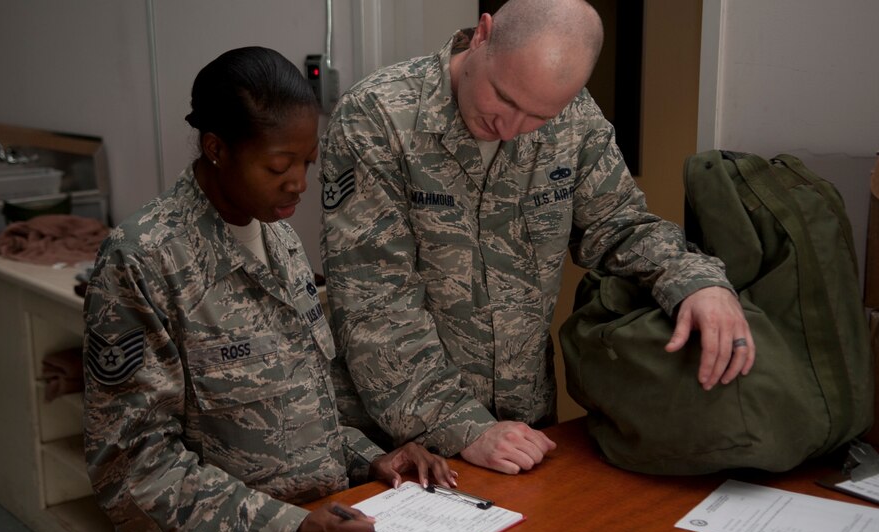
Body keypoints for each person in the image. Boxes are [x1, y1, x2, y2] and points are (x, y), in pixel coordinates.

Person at [319, 0, 755, 475]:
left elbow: (618, 224)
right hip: (401, 442)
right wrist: (463, 427)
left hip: (522, 427)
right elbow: (375, 302)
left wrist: (696, 280)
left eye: (538, 116)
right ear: (483, 35)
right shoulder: (376, 116)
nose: (509, 129)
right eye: (503, 98)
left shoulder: (576, 118)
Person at [82, 46, 455, 532]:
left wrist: (372, 455)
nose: (300, 183)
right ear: (216, 149)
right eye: (278, 166)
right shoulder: (144, 259)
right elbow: (134, 475)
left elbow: (299, 410)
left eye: (307, 162)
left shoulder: (279, 239)